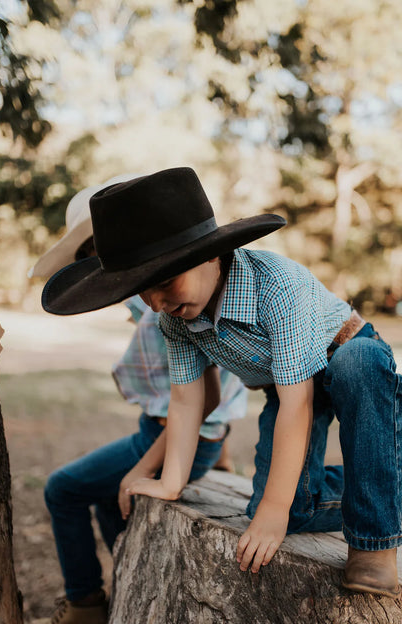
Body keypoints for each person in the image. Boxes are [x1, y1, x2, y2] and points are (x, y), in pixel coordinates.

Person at [41, 167, 402, 601]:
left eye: (163, 282)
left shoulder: (276, 286)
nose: (157, 302)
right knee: (291, 510)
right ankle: (383, 486)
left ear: (210, 254)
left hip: (344, 354)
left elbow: (298, 403)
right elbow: (189, 400)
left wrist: (273, 509)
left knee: (355, 369)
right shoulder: (175, 319)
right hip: (285, 387)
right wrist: (170, 481)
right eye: (141, 291)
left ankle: (374, 542)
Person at [31, 177, 247, 624]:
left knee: (63, 489)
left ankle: (84, 604)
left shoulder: (173, 304)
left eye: (91, 257)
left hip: (179, 438)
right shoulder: (154, 302)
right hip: (178, 433)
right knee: (109, 498)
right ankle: (129, 579)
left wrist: (147, 466)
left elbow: (203, 396)